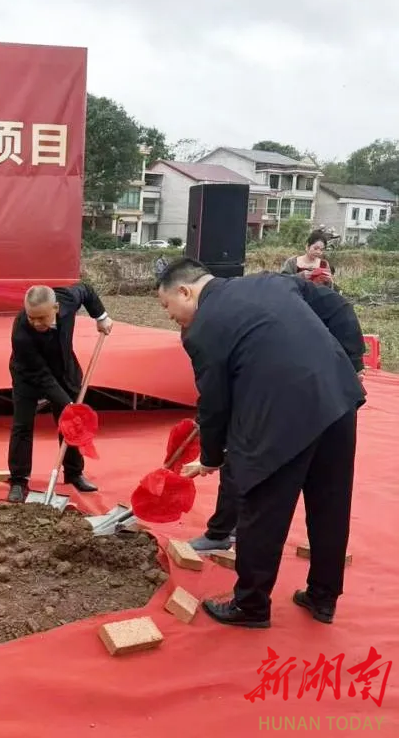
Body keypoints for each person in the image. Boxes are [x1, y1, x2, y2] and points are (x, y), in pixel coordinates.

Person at [156, 258, 366, 628]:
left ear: (185, 291)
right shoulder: (273, 281)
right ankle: (323, 597)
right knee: (330, 506)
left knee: (261, 508)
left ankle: (251, 605)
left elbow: (215, 403)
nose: (170, 316)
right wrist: (350, 361)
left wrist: (211, 457)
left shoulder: (202, 330)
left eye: (166, 306)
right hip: (337, 401)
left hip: (279, 418)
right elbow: (338, 307)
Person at [6, 283, 114, 503]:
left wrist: (101, 316)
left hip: (64, 369)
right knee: (22, 425)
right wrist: (67, 403)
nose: (36, 323)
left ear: (56, 308)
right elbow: (41, 376)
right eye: (31, 317)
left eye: (41, 318)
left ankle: (74, 473)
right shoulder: (21, 333)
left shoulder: (67, 299)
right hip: (29, 375)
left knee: (70, 423)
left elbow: (86, 290)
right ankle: (18, 480)